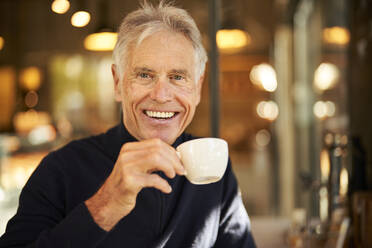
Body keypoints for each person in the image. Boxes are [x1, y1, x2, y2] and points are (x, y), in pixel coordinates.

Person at [0, 1, 256, 247]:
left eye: (177, 77)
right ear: (117, 83)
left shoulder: (214, 173)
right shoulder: (60, 170)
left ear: (198, 88)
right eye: (145, 75)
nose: (161, 94)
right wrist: (105, 206)